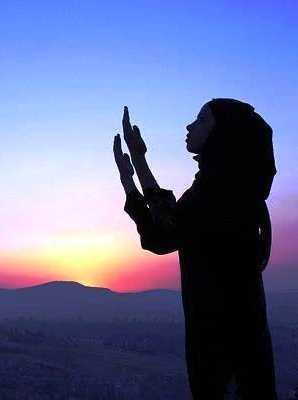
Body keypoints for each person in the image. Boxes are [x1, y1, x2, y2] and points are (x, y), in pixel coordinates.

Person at [113, 99, 278, 399]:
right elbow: (171, 228)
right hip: (232, 346)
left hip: (227, 354)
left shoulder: (225, 187)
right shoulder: (225, 184)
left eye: (202, 120)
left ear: (224, 132)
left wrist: (134, 169)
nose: (190, 126)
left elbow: (166, 232)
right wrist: (134, 169)